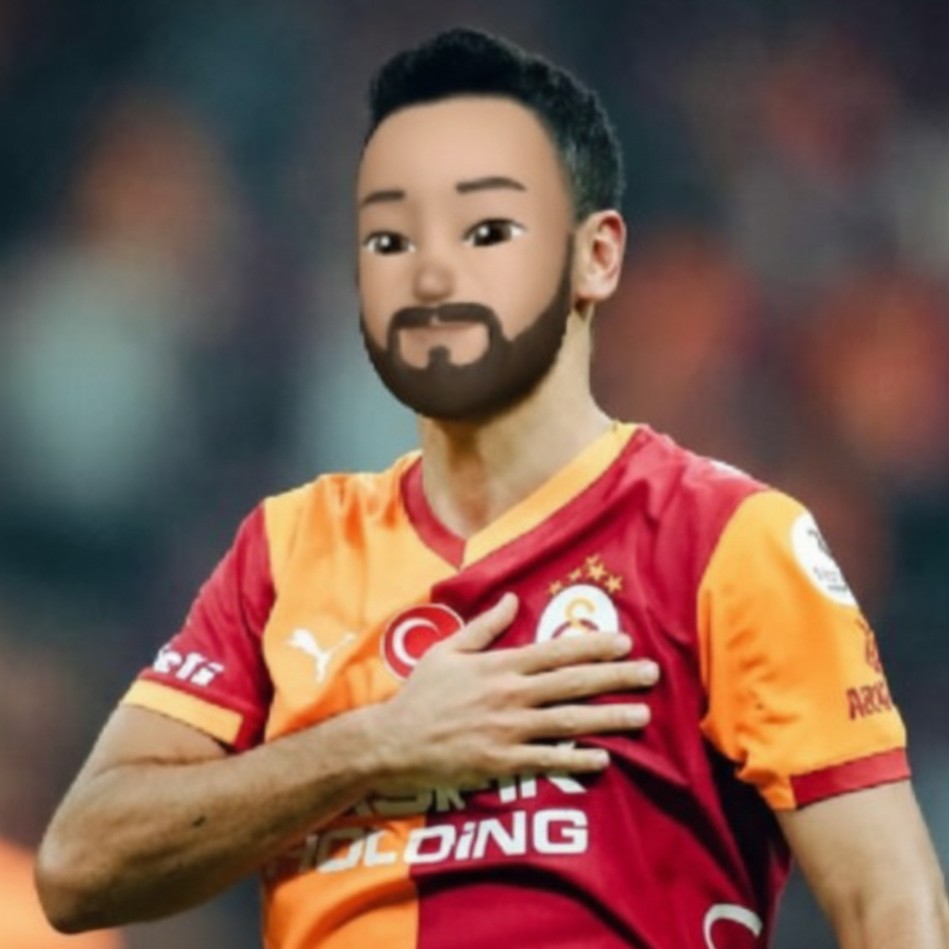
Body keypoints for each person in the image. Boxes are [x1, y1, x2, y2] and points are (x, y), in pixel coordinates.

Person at [36, 27, 948, 949]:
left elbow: (893, 908)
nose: (429, 271)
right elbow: (78, 865)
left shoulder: (726, 539)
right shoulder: (287, 547)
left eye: (486, 230)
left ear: (596, 256)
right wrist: (375, 743)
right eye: (388, 237)